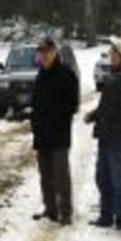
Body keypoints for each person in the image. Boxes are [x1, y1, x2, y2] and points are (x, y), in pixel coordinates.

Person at [85, 36, 121, 230]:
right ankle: (106, 215)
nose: (110, 55)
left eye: (113, 53)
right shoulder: (115, 75)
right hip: (106, 136)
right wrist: (95, 115)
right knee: (102, 177)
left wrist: (113, 128)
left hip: (117, 138)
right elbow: (107, 106)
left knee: (118, 178)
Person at [30, 36, 80, 226]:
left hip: (59, 134)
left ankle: (66, 212)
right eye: (41, 53)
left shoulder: (67, 75)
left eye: (46, 53)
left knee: (61, 174)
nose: (43, 56)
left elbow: (72, 105)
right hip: (42, 135)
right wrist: (35, 124)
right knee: (45, 175)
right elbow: (36, 104)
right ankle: (51, 209)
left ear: (54, 53)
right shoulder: (41, 75)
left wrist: (55, 119)